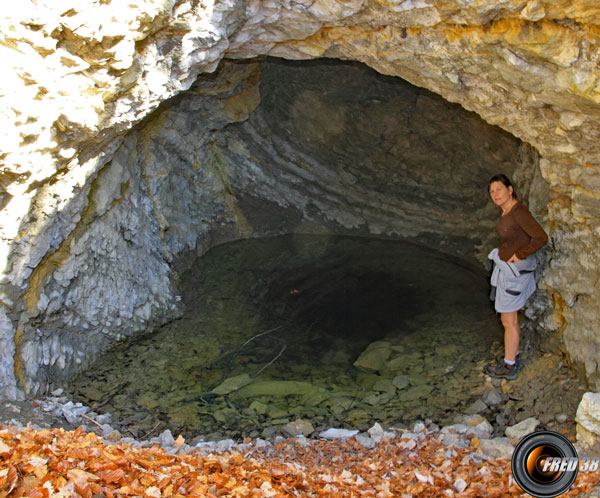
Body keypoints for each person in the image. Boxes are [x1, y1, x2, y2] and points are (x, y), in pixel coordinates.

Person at [484, 174, 548, 380]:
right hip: (510, 272)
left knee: (508, 320)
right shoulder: (508, 212)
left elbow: (541, 237)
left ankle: (509, 366)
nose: (495, 194)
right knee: (508, 318)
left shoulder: (518, 211)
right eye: (492, 191)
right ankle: (512, 355)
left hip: (514, 273)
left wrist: (519, 255)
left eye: (499, 189)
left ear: (510, 190)